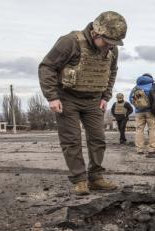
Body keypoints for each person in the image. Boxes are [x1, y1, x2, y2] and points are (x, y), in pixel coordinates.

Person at [38, 11, 127, 195]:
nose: (110, 47)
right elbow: (47, 67)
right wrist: (52, 96)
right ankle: (79, 180)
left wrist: (105, 97)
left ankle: (96, 178)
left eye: (114, 43)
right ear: (96, 33)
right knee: (72, 140)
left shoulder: (111, 49)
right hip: (67, 99)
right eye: (108, 42)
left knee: (98, 139)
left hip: (94, 100)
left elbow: (111, 72)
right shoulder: (70, 41)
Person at [129, 73, 155, 156]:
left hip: (138, 112)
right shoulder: (154, 85)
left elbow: (131, 99)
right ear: (150, 78)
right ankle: (151, 149)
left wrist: (137, 106)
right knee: (152, 130)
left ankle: (139, 149)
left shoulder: (136, 87)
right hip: (151, 112)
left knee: (139, 130)